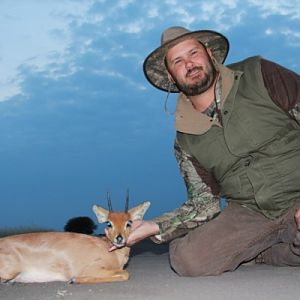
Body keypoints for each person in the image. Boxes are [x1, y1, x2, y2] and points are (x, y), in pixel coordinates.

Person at [127, 26, 300, 276]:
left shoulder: (260, 73)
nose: (189, 64)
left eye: (193, 53)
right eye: (178, 61)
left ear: (209, 54)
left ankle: (266, 251)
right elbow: (203, 205)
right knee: (188, 261)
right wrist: (154, 226)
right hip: (249, 213)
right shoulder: (184, 140)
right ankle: (264, 251)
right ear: (171, 75)